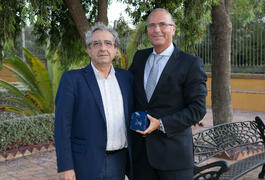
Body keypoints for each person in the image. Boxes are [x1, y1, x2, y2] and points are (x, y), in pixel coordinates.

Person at [129, 8, 208, 180]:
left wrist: (161, 124)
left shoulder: (191, 63)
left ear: (173, 28)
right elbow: (128, 90)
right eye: (152, 25)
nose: (157, 29)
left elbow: (197, 109)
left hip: (174, 159)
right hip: (141, 158)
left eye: (162, 24)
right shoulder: (139, 58)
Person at [54, 22, 134, 180]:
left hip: (119, 161)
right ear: (89, 50)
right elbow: (62, 126)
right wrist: (65, 166)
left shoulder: (127, 79)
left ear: (115, 50)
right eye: (96, 43)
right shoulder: (72, 80)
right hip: (84, 163)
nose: (103, 48)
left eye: (108, 43)